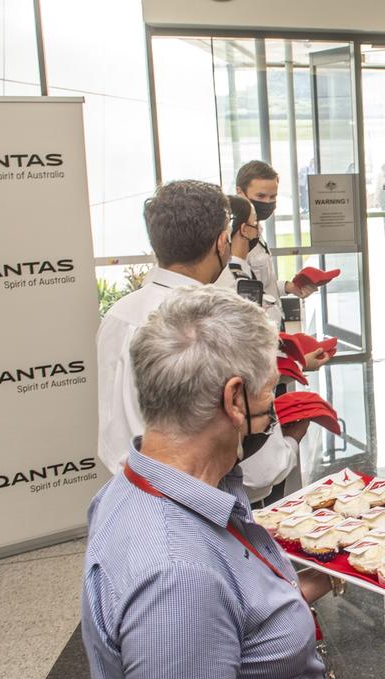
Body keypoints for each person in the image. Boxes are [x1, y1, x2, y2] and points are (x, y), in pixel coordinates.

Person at [82, 286, 385, 679]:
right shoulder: (178, 577)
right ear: (233, 399)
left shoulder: (142, 489)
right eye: (270, 398)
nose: (276, 412)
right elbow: (200, 604)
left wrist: (335, 574)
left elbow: (233, 617)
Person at [97, 180, 231, 474]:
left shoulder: (118, 314)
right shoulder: (207, 324)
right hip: (189, 495)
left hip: (127, 487)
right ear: (221, 242)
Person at [217, 195, 320, 505]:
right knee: (260, 495)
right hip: (248, 408)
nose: (258, 228)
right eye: (253, 223)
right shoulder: (228, 284)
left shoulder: (243, 272)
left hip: (265, 383)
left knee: (270, 491)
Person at [235, 160, 318, 328]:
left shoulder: (258, 229)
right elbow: (241, 293)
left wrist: (288, 287)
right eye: (260, 196)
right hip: (255, 331)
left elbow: (262, 284)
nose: (267, 203)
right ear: (240, 193)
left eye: (272, 197)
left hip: (273, 326)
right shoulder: (235, 240)